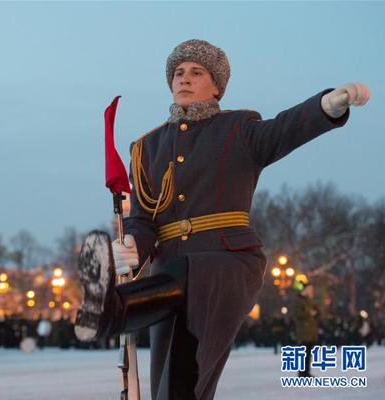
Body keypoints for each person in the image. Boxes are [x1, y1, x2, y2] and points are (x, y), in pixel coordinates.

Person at [75, 39, 370, 400]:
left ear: (216, 85)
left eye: (196, 72)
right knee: (176, 383)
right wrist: (133, 245)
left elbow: (283, 129)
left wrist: (325, 107)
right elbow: (144, 219)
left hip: (226, 261)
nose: (184, 79)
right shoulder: (146, 147)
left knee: (190, 280)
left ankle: (113, 310)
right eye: (178, 73)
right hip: (168, 271)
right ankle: (114, 310)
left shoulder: (239, 129)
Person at [294, 282, 318, 377]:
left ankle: (306, 372)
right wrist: (309, 313)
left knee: (308, 353)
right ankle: (302, 373)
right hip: (304, 331)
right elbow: (298, 314)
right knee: (305, 353)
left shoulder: (308, 301)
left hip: (310, 332)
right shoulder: (300, 301)